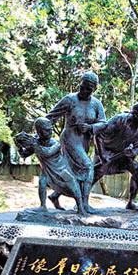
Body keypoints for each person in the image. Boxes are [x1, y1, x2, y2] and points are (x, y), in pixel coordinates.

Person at [45, 71, 106, 212]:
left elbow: (103, 123)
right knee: (88, 167)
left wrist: (90, 127)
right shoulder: (70, 100)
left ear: (94, 89)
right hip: (70, 138)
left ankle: (55, 195)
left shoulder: (96, 104)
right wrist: (40, 133)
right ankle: (84, 204)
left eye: (88, 89)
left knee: (73, 171)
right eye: (82, 87)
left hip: (84, 140)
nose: (84, 90)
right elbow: (51, 117)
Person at [15, 117, 86, 214]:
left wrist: (34, 145)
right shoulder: (36, 141)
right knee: (42, 182)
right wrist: (19, 147)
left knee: (73, 186)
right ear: (39, 131)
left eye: (51, 129)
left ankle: (81, 208)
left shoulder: (55, 143)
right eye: (47, 130)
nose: (50, 132)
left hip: (61, 169)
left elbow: (47, 153)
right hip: (46, 170)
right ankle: (43, 206)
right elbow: (24, 154)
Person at [93, 101, 138, 210]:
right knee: (97, 173)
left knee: (137, 169)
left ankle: (131, 202)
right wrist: (102, 156)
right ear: (135, 113)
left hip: (123, 157)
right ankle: (81, 201)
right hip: (106, 152)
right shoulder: (119, 120)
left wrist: (132, 152)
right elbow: (98, 135)